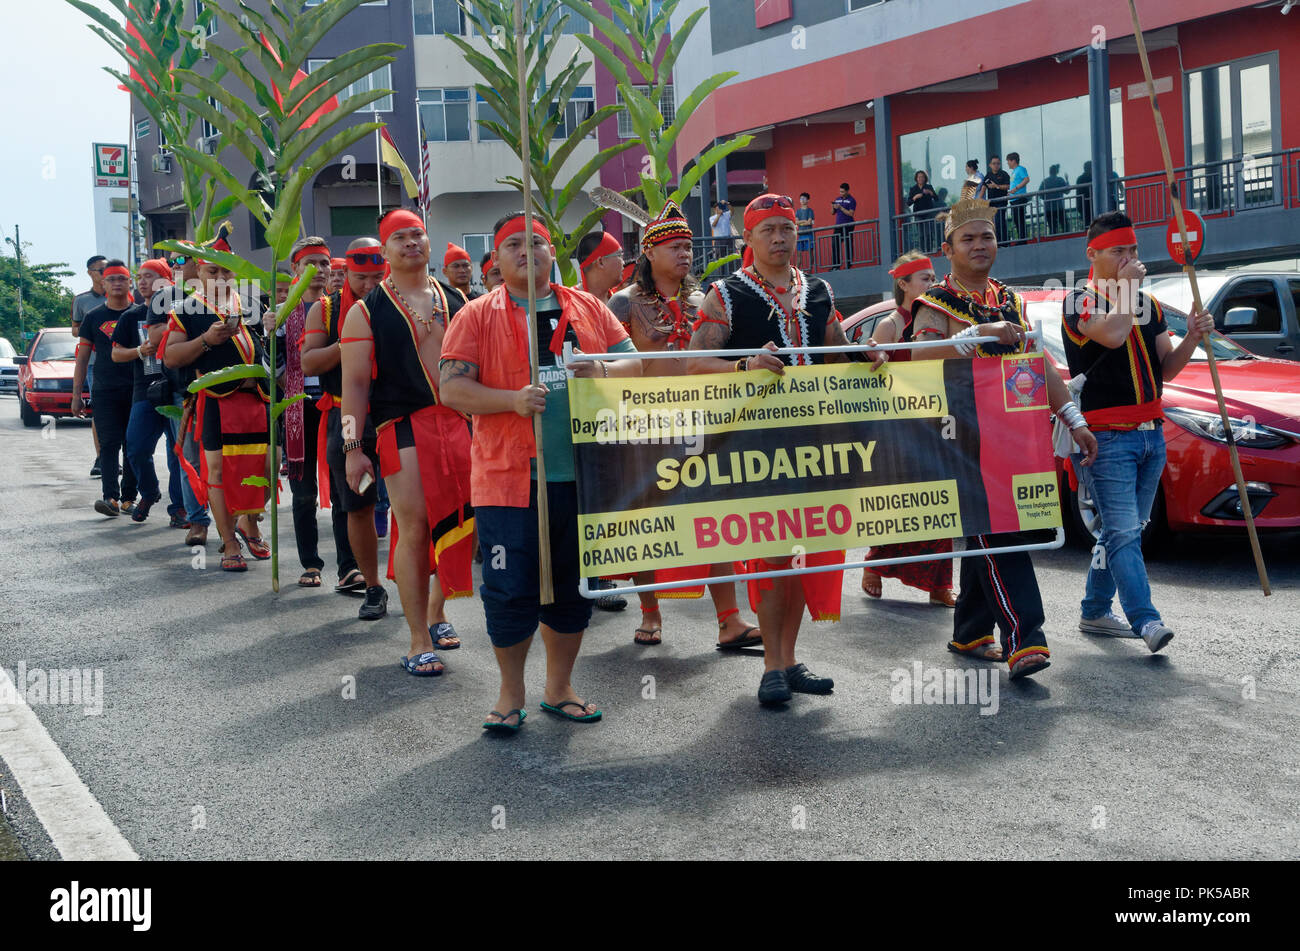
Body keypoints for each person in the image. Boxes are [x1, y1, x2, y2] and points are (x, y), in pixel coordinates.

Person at [439, 211, 642, 731]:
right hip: (508, 481)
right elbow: (453, 389)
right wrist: (510, 399)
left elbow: (634, 365)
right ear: (498, 259)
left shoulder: (589, 307)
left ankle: (560, 686)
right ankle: (510, 694)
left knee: (575, 587)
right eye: (513, 246)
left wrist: (599, 369)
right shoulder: (477, 314)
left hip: (582, 475)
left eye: (536, 243)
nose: (526, 252)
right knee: (510, 588)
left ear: (553, 253)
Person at [687, 194, 885, 707]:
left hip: (816, 443)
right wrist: (744, 365)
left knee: (803, 554)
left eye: (787, 229)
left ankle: (789, 659)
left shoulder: (817, 289)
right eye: (768, 229)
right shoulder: (724, 294)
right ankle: (772, 665)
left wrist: (869, 356)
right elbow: (693, 367)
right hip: (755, 445)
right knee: (773, 553)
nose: (779, 238)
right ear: (748, 239)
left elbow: (837, 347)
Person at [910, 195, 1098, 680]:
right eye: (968, 238)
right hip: (961, 437)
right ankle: (1026, 637)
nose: (979, 245)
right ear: (948, 248)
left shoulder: (1010, 299)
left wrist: (1073, 418)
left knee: (989, 531)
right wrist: (976, 335)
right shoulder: (934, 303)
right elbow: (918, 361)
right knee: (1000, 534)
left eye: (986, 236)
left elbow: (1034, 364)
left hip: (1013, 436)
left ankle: (971, 630)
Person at [606, 201, 762, 650]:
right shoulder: (624, 302)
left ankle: (729, 620)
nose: (685, 254)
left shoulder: (706, 300)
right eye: (675, 247)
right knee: (647, 523)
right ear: (649, 253)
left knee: (715, 519)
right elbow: (607, 360)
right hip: (646, 427)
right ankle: (651, 613)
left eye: (689, 247)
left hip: (706, 425)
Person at [1063, 211, 1212, 653]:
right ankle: (1146, 620)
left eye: (1133, 251)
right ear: (1093, 254)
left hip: (1151, 432)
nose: (1129, 259)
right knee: (1125, 532)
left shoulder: (1145, 303)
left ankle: (1093, 609)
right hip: (1105, 436)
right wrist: (1127, 290)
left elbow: (1167, 366)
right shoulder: (1078, 300)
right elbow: (1111, 335)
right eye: (1118, 252)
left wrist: (1193, 338)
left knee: (1124, 530)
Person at [340, 210, 474, 676]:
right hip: (402, 426)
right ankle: (418, 639)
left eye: (418, 234)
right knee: (415, 527)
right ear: (385, 250)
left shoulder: (457, 298)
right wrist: (352, 449)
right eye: (400, 237)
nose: (412, 242)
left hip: (461, 422)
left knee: (462, 521)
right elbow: (354, 387)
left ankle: (438, 613)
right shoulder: (365, 311)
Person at [856, 251, 958, 607]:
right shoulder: (891, 324)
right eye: (925, 279)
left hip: (935, 421)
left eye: (934, 278)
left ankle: (939, 584)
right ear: (903, 284)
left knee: (940, 503)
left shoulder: (943, 317)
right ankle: (875, 565)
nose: (933, 283)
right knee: (900, 507)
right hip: (899, 427)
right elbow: (878, 375)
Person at [163, 247, 273, 573]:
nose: (221, 278)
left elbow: (271, 352)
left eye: (226, 272)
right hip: (214, 400)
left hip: (258, 398)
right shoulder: (186, 309)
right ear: (200, 272)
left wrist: (271, 329)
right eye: (213, 272)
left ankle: (246, 519)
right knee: (218, 474)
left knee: (266, 466)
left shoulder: (255, 305)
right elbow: (170, 357)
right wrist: (207, 340)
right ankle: (229, 541)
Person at [301, 238, 388, 617]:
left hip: (396, 418)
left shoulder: (402, 301)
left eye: (376, 276)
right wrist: (350, 343)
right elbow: (309, 363)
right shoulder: (325, 308)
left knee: (411, 508)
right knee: (358, 506)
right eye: (361, 278)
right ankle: (371, 585)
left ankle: (425, 593)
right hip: (348, 420)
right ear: (346, 273)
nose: (369, 285)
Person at [279, 236, 349, 589]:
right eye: (311, 264)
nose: (320, 271)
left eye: (324, 263)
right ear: (295, 268)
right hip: (295, 409)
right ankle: (311, 563)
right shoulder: (279, 314)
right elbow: (270, 368)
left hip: (335, 404)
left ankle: (349, 566)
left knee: (343, 489)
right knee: (303, 493)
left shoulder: (340, 308)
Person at [115, 259, 182, 524]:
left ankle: (179, 507)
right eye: (139, 277)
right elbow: (115, 353)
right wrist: (138, 351)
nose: (142, 282)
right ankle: (150, 491)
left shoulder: (182, 311)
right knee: (136, 448)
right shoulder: (130, 316)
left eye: (150, 276)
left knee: (178, 452)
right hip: (146, 391)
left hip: (178, 388)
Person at [72, 260, 141, 517]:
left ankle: (129, 497)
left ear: (129, 282)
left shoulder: (140, 313)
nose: (116, 283)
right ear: (103, 283)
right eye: (111, 279)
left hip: (137, 389)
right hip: (104, 389)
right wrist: (77, 395)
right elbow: (82, 358)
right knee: (109, 443)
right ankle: (110, 498)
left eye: (121, 278)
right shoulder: (93, 317)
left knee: (132, 443)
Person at [71, 255, 107, 479]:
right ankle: (102, 457)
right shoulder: (82, 300)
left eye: (108, 269)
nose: (105, 274)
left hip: (125, 361)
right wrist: (92, 325)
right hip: (95, 363)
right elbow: (74, 329)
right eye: (100, 270)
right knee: (101, 411)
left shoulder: (125, 296)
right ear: (90, 273)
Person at [575, 230, 624, 303]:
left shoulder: (620, 302)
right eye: (619, 255)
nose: (623, 262)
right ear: (601, 262)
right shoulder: (571, 302)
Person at [907, 171, 941, 252]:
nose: (920, 178)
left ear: (925, 178)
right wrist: (915, 197)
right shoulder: (913, 189)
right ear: (916, 178)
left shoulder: (928, 187)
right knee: (921, 234)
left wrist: (930, 193)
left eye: (922, 177)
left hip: (928, 214)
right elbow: (908, 203)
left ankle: (929, 250)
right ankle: (923, 251)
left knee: (928, 233)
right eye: (919, 177)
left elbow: (936, 199)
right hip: (918, 214)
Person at [440, 242, 481, 307]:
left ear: (471, 268)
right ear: (445, 272)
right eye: (456, 266)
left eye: (465, 265)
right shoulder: (442, 303)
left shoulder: (482, 300)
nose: (462, 270)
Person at [830, 182, 856, 269]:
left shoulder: (852, 200)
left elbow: (851, 213)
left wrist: (841, 208)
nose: (841, 193)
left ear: (847, 191)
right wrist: (833, 207)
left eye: (843, 192)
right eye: (840, 191)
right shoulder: (837, 199)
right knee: (835, 244)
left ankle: (848, 265)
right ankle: (836, 265)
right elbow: (832, 213)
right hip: (838, 226)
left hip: (848, 225)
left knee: (848, 244)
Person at [984, 157, 1010, 243]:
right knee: (993, 223)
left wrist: (997, 186)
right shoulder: (988, 175)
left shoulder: (1004, 174)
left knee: (1000, 221)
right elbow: (983, 188)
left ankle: (1004, 242)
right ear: (990, 165)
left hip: (1001, 202)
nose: (996, 165)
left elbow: (1008, 186)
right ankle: (998, 242)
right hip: (991, 204)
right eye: (994, 163)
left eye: (998, 163)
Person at [1006, 152, 1030, 244]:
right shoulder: (1014, 172)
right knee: (1016, 220)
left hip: (1019, 199)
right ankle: (1021, 238)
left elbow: (1026, 179)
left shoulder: (1020, 169)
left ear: (1013, 161)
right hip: (1013, 200)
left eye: (1008, 161)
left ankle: (1023, 240)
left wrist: (1016, 189)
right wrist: (1010, 193)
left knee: (1020, 220)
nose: (1008, 163)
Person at [1039, 164, 1069, 235]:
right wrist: (1067, 180)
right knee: (1065, 226)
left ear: (1049, 172)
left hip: (1048, 208)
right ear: (1057, 172)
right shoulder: (1060, 180)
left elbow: (1040, 194)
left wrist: (1045, 198)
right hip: (1059, 206)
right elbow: (1067, 191)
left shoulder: (1045, 181)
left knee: (1052, 228)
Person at [795, 192, 815, 269]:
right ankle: (797, 271)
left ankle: (811, 269)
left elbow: (809, 222)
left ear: (808, 200)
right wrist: (804, 222)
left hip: (809, 235)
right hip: (800, 235)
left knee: (810, 254)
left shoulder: (810, 211)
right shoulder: (798, 211)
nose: (802, 200)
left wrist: (801, 223)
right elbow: (796, 222)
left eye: (804, 198)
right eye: (801, 199)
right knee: (799, 255)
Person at [1075, 161, 1094, 226]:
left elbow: (1078, 194)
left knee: (1088, 225)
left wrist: (1079, 207)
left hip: (1084, 205)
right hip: (1089, 204)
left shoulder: (1080, 179)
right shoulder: (1094, 177)